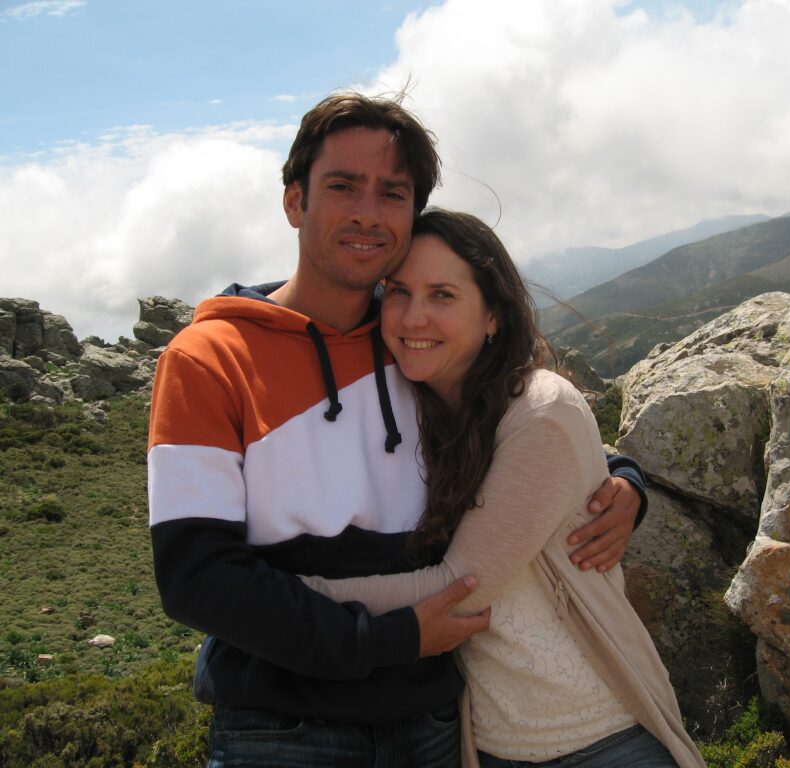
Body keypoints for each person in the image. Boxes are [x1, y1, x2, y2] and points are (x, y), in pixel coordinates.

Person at [147, 91, 650, 767]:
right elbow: (195, 578)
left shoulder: (412, 339)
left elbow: (523, 421)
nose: (367, 212)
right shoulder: (209, 359)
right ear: (295, 202)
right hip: (284, 728)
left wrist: (622, 479)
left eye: (392, 193)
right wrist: (389, 641)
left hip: (434, 723)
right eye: (342, 186)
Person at [303, 209, 706, 768]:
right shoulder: (414, 407)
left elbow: (459, 588)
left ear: (492, 314)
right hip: (489, 743)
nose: (414, 316)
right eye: (398, 291)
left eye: (443, 295)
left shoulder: (541, 409)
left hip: (600, 735)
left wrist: (281, 601)